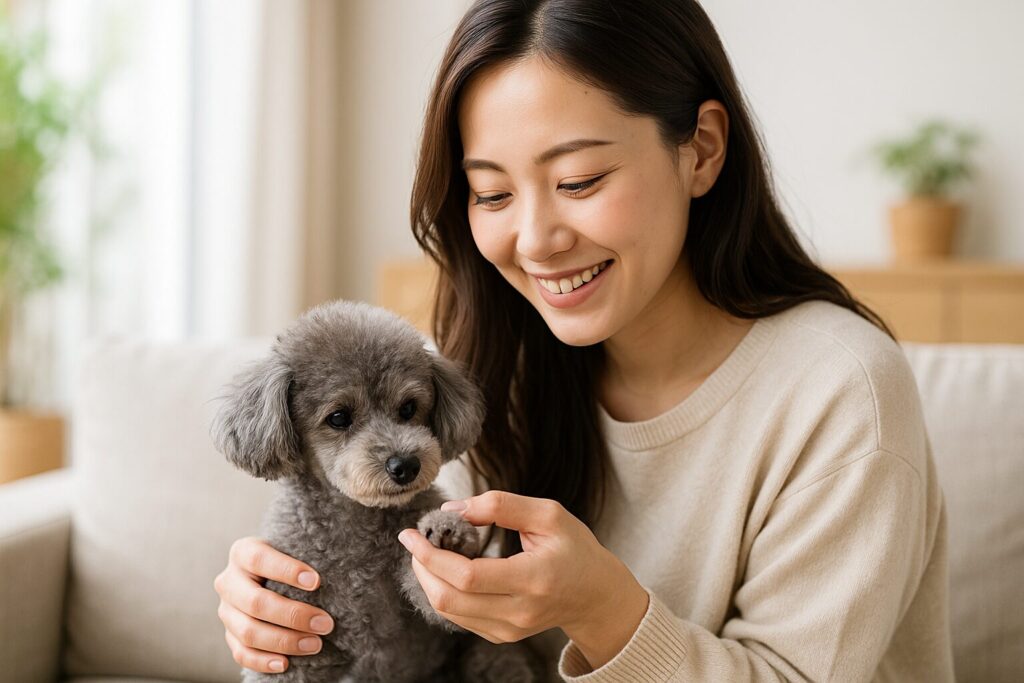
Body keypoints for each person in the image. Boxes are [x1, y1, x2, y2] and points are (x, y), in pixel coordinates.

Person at [214, 1, 956, 680]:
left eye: (578, 179)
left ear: (700, 149)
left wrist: (603, 609)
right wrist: (273, 610)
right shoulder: (499, 362)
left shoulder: (840, 390)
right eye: (493, 193)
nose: (535, 239)